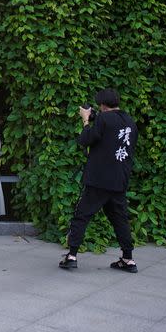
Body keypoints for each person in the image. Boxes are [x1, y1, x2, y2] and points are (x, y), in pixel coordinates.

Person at [60, 88, 139, 273]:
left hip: (99, 180)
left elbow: (85, 139)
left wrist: (86, 119)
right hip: (119, 180)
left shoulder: (103, 119)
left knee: (82, 216)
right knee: (120, 219)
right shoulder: (129, 121)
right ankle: (128, 259)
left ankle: (71, 256)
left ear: (102, 104)